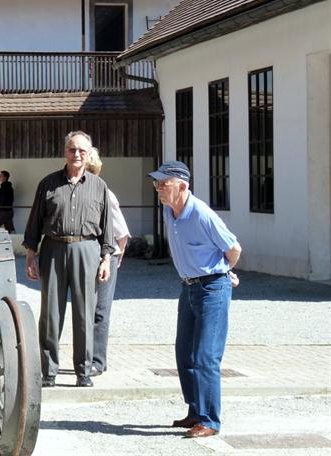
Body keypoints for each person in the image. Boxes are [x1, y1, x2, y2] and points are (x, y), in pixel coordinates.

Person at [149, 160, 241, 438]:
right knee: (184, 354)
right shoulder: (168, 210)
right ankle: (195, 411)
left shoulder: (202, 214)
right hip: (188, 287)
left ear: (183, 186)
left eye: (164, 184)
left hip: (213, 288)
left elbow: (233, 248)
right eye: (157, 184)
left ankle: (210, 421)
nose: (159, 189)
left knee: (205, 356)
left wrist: (227, 272)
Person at [23, 131, 114, 388]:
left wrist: (106, 258)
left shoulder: (99, 186)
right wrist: (31, 254)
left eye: (82, 151)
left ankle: (83, 370)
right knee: (51, 312)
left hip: (87, 249)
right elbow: (35, 222)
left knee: (85, 312)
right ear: (65, 151)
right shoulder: (48, 184)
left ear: (89, 154)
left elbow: (107, 227)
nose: (77, 155)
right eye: (72, 149)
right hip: (53, 249)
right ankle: (49, 371)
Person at [84, 149, 130, 377]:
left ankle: (97, 361)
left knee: (100, 309)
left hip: (105, 256)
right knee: (87, 309)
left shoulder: (104, 193)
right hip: (88, 256)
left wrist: (115, 256)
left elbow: (122, 231)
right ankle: (87, 357)